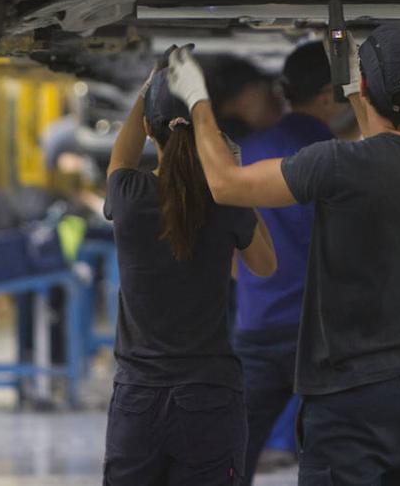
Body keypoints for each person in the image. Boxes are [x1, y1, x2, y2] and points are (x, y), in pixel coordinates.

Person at [165, 24, 400, 484]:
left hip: (348, 398)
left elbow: (225, 184)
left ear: (360, 88)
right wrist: (354, 80)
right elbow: (383, 137)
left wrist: (198, 99)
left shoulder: (337, 165)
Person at [103, 63, 277, 484]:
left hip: (138, 399)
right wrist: (234, 182)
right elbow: (265, 265)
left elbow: (121, 156)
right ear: (207, 133)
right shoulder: (223, 201)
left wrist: (148, 88)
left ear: (149, 127)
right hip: (210, 397)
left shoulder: (128, 195)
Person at [234, 42, 340, 483]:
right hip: (315, 335)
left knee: (234, 452)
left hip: (256, 325)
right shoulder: (336, 156)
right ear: (327, 95)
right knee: (327, 452)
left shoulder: (248, 150)